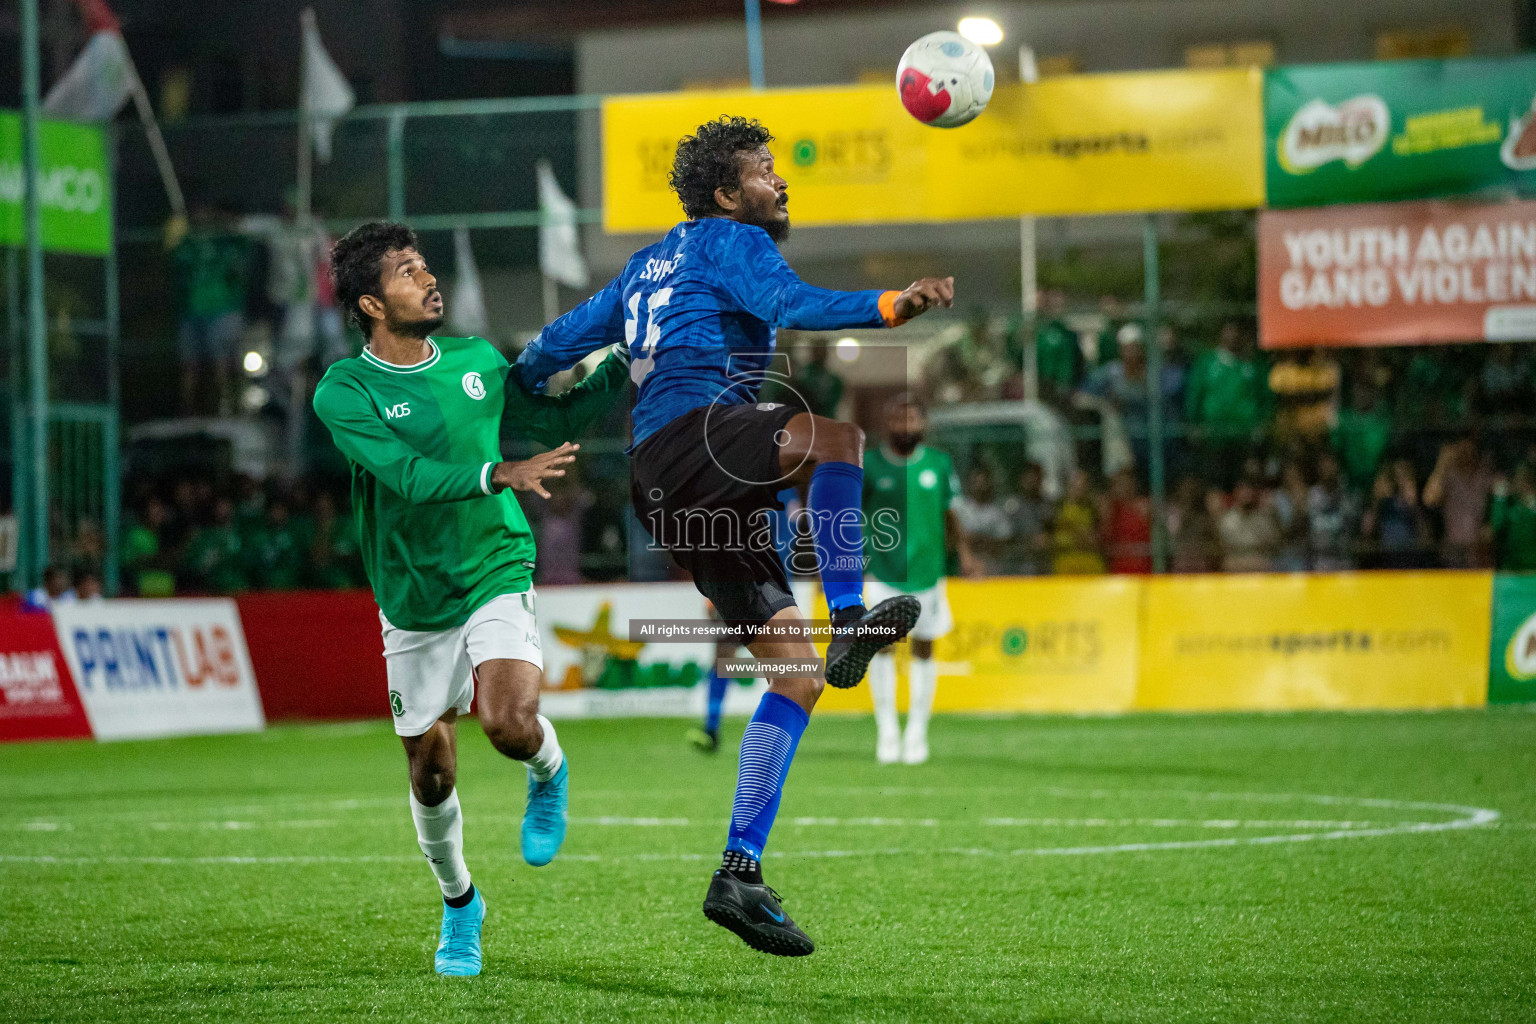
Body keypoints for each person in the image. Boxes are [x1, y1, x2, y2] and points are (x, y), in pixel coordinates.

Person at [514, 116, 953, 957]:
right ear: (725, 194)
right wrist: (890, 303)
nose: (780, 183)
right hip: (702, 438)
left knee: (796, 678)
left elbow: (546, 353)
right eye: (764, 170)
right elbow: (796, 304)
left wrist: (508, 411)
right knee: (841, 443)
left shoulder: (643, 267)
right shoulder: (729, 239)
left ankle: (738, 874)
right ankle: (854, 611)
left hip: (663, 482)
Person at [312, 221, 629, 978]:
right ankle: (461, 905)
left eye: (426, 265)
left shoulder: (477, 360)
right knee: (431, 771)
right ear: (369, 303)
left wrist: (626, 360)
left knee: (510, 724)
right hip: (414, 595)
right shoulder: (344, 390)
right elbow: (409, 478)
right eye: (407, 271)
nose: (428, 279)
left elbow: (548, 419)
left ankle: (548, 771)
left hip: (494, 558)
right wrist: (499, 474)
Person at [863, 394, 966, 765]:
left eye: (913, 419)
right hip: (883, 573)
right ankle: (887, 732)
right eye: (899, 419)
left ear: (923, 424)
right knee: (882, 650)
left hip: (929, 572)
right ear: (887, 424)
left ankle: (917, 733)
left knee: (924, 649)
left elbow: (950, 512)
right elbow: (849, 514)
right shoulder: (870, 464)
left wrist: (964, 554)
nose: (906, 426)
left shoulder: (938, 464)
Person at [1218, 477, 1280, 572]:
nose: (1246, 494)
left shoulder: (1263, 518)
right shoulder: (1228, 519)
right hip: (1235, 563)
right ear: (1236, 493)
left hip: (1259, 563)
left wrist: (1272, 513)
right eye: (1242, 490)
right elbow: (1224, 549)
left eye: (1248, 491)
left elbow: (1273, 545)